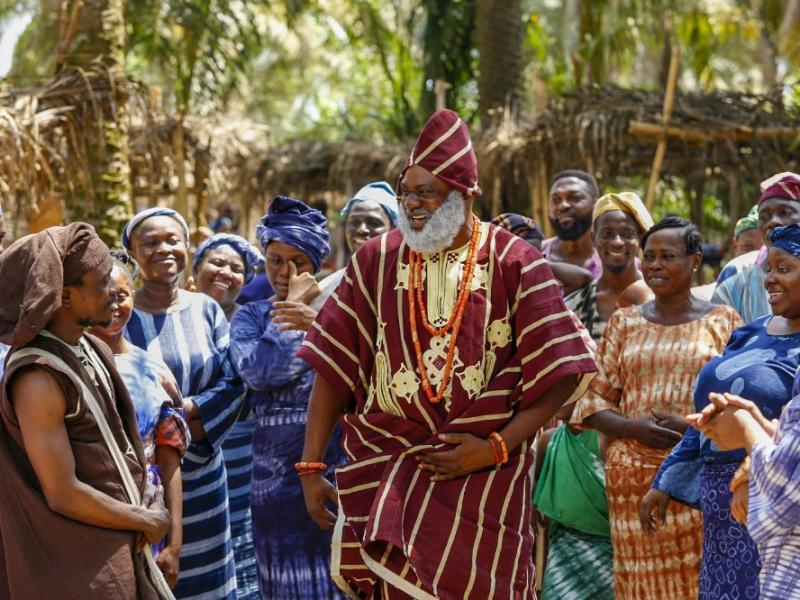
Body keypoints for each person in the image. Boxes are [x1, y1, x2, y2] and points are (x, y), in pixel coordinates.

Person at [297, 108, 598, 598]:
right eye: (405, 191)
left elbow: (563, 371)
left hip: (488, 480)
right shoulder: (375, 259)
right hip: (389, 463)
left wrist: (496, 446)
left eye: (426, 193)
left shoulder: (514, 259)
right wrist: (311, 465)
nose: (411, 203)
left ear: (462, 197)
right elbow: (334, 366)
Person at [572, 216, 742, 599]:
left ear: (695, 261)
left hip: (698, 481)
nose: (655, 265)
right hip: (631, 482)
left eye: (668, 256)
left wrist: (689, 428)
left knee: (700, 580)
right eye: (649, 256)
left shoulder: (724, 321)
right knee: (640, 586)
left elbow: (739, 405)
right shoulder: (624, 322)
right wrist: (634, 429)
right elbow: (594, 404)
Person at [0, 223, 172, 599]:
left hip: (120, 545)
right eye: (101, 283)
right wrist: (146, 518)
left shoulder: (91, 348)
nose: (115, 292)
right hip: (80, 568)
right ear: (63, 296)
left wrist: (149, 495)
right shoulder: (38, 378)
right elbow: (62, 492)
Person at [640, 223, 800, 599]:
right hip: (719, 510)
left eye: (785, 268)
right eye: (769, 269)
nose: (771, 280)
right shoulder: (751, 332)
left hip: (771, 504)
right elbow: (710, 413)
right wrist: (666, 480)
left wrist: (748, 441)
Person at [122, 207, 245, 599]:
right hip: (145, 479)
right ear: (133, 253)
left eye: (173, 240)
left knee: (208, 582)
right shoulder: (120, 314)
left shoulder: (205, 309)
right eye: (150, 243)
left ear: (188, 246)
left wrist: (189, 411)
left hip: (205, 472)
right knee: (155, 577)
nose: (164, 249)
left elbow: (235, 382)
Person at [230, 196, 346, 598]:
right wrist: (295, 307)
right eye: (275, 259)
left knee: (338, 577)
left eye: (297, 260)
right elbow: (262, 372)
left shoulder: (341, 310)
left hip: (337, 466)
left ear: (316, 263)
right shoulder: (250, 315)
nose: (285, 271)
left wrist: (315, 321)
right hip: (273, 483)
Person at [90, 254, 191, 589]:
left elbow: (169, 459)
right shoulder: (67, 367)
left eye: (121, 295)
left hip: (149, 514)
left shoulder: (154, 371)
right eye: (102, 297)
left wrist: (174, 544)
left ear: (133, 295)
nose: (113, 306)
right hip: (90, 514)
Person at [191, 232, 266, 599]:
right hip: (189, 458)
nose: (225, 272)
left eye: (237, 268)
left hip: (245, 461)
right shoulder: (175, 317)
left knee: (242, 541)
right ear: (195, 270)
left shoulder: (254, 323)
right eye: (216, 262)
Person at [565, 192, 654, 340]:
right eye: (607, 234)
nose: (617, 242)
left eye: (627, 233)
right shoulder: (574, 308)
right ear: (594, 239)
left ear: (639, 238)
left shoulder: (661, 300)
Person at [713, 172, 800, 323]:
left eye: (785, 212)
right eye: (764, 217)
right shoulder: (735, 277)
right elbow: (717, 339)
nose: (772, 222)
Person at [316, 181, 398, 305]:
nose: (361, 229)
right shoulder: (329, 287)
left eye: (374, 223)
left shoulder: (403, 285)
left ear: (393, 230)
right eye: (354, 223)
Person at [491, 212, 593, 294]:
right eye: (525, 258)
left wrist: (541, 264)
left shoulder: (543, 287)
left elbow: (584, 278)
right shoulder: (488, 289)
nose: (531, 265)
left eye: (538, 255)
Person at [542, 169, 602, 277]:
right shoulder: (532, 258)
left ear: (596, 205)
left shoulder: (618, 261)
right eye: (556, 200)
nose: (563, 205)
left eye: (575, 198)